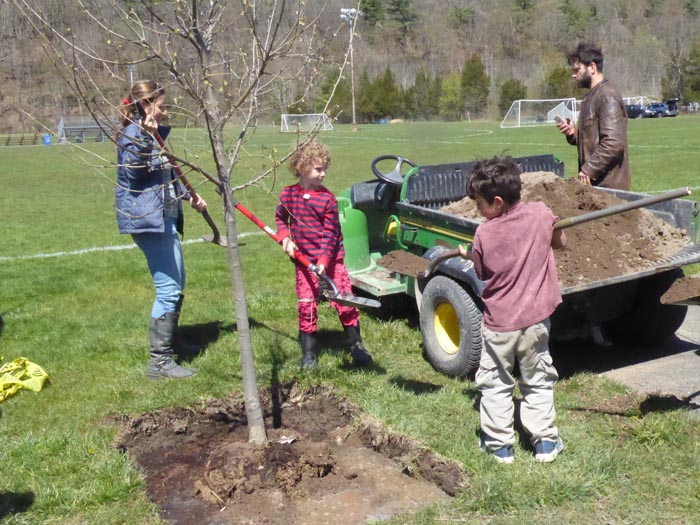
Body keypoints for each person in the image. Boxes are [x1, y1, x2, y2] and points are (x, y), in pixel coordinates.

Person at [458, 156, 567, 463]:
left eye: (479, 203)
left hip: (500, 325)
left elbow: (481, 272)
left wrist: (471, 254)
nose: (477, 209)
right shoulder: (540, 213)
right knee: (538, 379)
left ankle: (498, 445)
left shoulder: (484, 233)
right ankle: (545, 442)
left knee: (495, 382)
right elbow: (561, 242)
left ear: (496, 202)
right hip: (536, 321)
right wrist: (552, 229)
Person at [116, 80, 207, 379]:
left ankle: (172, 341)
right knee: (168, 288)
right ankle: (159, 362)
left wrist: (189, 195)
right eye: (162, 105)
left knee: (177, 282)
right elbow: (135, 171)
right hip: (148, 220)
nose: (166, 109)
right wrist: (146, 134)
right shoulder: (133, 135)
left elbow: (166, 173)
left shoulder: (155, 134)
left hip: (165, 216)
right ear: (145, 104)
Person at [275, 142, 373, 370]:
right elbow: (281, 219)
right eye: (318, 169)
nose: (323, 174)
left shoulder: (327, 199)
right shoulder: (288, 195)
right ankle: (309, 354)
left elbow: (331, 234)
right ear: (302, 167)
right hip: (302, 261)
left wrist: (323, 262)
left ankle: (356, 346)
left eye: (324, 168)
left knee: (345, 300)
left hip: (331, 260)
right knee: (306, 304)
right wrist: (285, 238)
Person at [556, 42, 631, 190]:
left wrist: (589, 169)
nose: (573, 75)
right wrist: (574, 134)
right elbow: (593, 139)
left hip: (610, 187)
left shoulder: (606, 96)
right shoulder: (591, 97)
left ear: (592, 67)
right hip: (597, 185)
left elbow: (613, 142)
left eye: (577, 70)